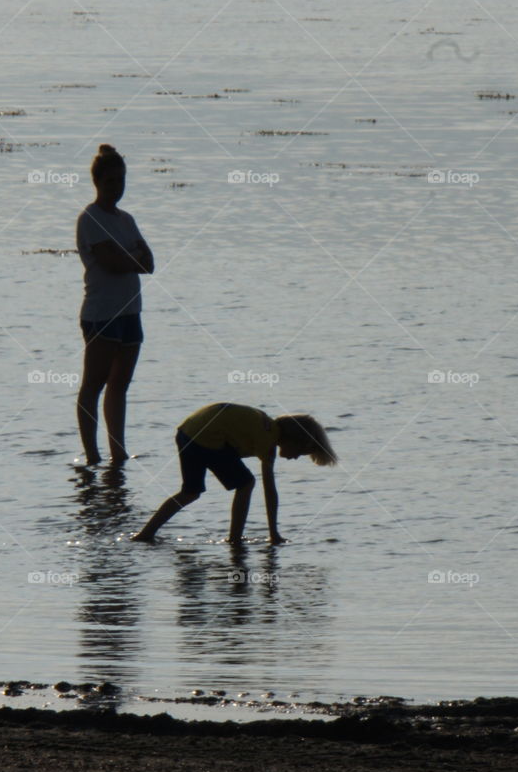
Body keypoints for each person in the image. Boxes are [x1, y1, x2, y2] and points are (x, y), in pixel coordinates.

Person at [132, 402, 337, 544]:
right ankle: (235, 539)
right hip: (207, 437)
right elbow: (270, 490)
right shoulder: (267, 440)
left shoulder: (265, 425)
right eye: (301, 452)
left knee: (190, 492)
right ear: (295, 440)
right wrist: (274, 533)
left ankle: (145, 534)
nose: (296, 458)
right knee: (246, 483)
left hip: (187, 432)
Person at [76, 144, 154, 466]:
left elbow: (148, 263)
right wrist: (130, 257)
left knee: (119, 386)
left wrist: (131, 257)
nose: (117, 188)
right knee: (94, 385)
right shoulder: (90, 218)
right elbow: (112, 263)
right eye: (111, 182)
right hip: (102, 314)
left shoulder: (126, 219)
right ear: (97, 182)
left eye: (121, 181)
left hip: (130, 312)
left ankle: (117, 452)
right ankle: (92, 455)